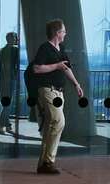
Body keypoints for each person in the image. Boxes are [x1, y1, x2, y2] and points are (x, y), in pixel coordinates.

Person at [29, 20, 82, 175]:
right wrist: (56, 66)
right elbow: (37, 68)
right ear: (57, 33)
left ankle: (42, 164)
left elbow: (66, 68)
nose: (65, 34)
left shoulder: (61, 49)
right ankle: (49, 162)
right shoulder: (45, 48)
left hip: (59, 92)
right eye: (63, 31)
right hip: (48, 91)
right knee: (59, 121)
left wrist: (76, 84)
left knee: (50, 128)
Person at [0, 32, 24, 135]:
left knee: (5, 103)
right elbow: (17, 66)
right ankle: (1, 124)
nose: (17, 39)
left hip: (1, 80)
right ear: (12, 39)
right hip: (10, 80)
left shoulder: (0, 51)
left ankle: (7, 125)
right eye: (16, 37)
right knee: (8, 104)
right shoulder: (15, 50)